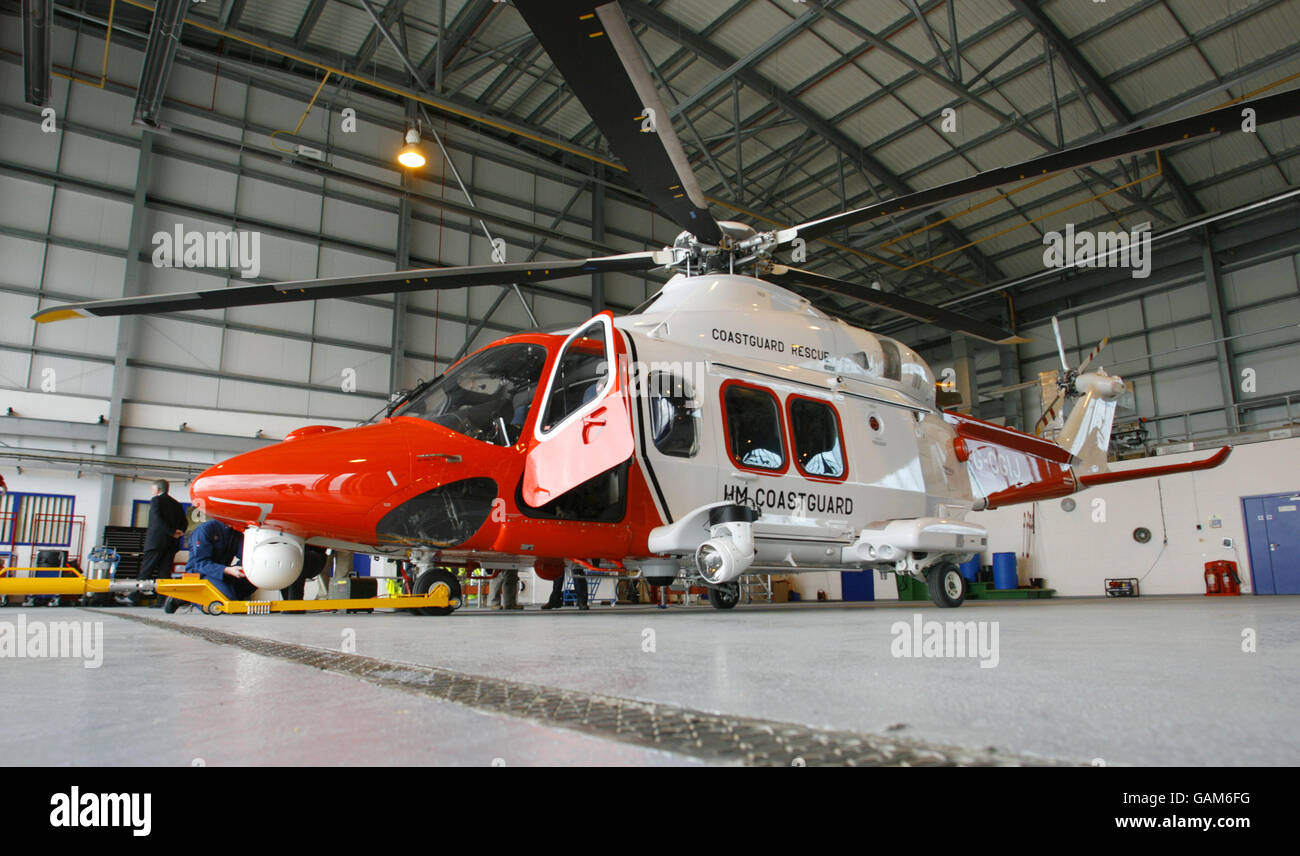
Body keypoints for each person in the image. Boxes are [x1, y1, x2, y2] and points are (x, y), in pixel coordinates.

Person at [134, 479, 187, 606]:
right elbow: (184, 522)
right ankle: (162, 601)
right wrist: (178, 532)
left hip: (156, 542)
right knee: (164, 573)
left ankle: (133, 596)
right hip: (171, 544)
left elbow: (157, 519)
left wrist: (170, 531)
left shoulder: (156, 500)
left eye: (152, 489)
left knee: (146, 570)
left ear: (157, 490)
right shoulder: (176, 504)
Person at [182, 518, 254, 601]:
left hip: (224, 572)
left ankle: (234, 598)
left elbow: (245, 556)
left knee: (255, 579)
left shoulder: (236, 532)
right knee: (226, 600)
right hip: (202, 573)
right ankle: (186, 598)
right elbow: (200, 563)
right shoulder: (205, 529)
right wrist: (226, 570)